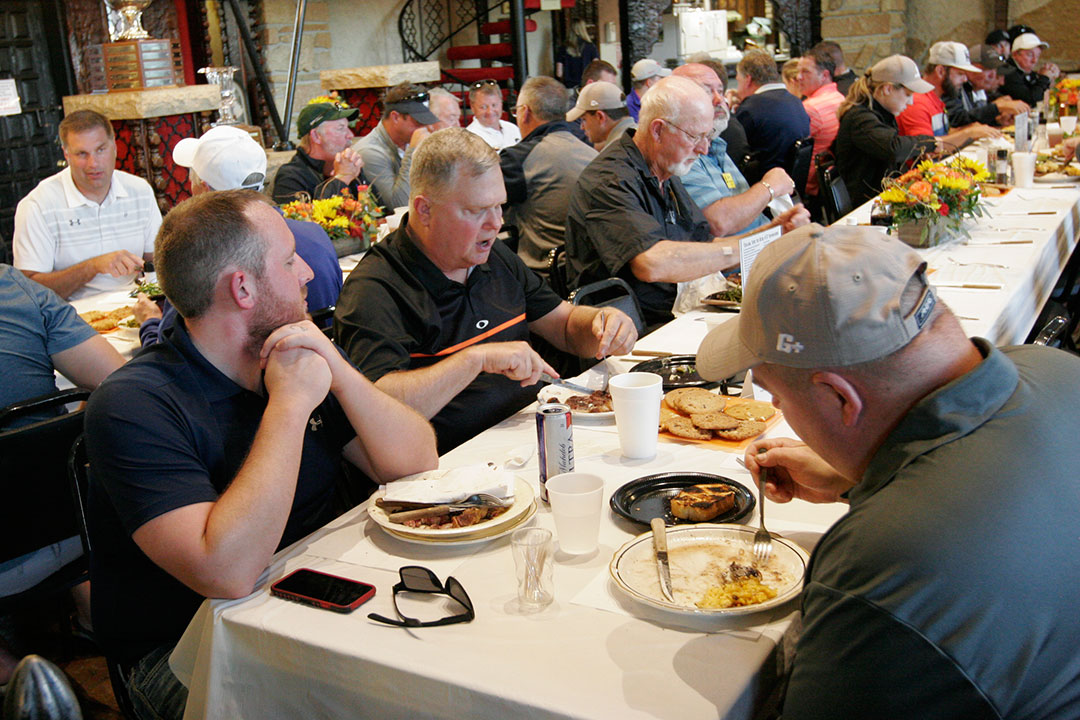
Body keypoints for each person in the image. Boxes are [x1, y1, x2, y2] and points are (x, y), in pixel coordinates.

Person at [696, 223, 1080, 720]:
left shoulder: (883, 568)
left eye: (777, 393)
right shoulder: (1055, 368)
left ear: (839, 397)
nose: (778, 407)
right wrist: (861, 479)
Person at [86, 190, 437, 720]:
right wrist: (291, 407)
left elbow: (414, 462)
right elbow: (225, 572)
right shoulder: (134, 404)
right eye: (290, 259)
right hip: (190, 651)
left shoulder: (295, 349)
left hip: (324, 595)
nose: (306, 275)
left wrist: (339, 373)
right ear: (243, 286)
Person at [333, 129, 636, 455]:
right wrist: (476, 360)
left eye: (499, 206)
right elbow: (379, 409)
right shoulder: (375, 289)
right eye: (477, 210)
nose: (495, 223)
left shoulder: (493, 255)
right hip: (450, 469)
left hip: (527, 440)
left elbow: (564, 326)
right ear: (425, 210)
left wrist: (601, 323)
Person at [0, 263, 125, 686]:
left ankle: (13, 676)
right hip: (78, 530)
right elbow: (119, 386)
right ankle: (96, 616)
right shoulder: (14, 287)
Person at [133, 125, 343, 346]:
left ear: (202, 190)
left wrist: (149, 322)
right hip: (324, 357)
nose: (304, 274)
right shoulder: (314, 233)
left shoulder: (200, 257)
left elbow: (171, 361)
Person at [565, 75, 743, 329]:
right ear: (658, 130)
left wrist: (772, 235)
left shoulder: (666, 170)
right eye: (695, 137)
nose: (703, 149)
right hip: (632, 329)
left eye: (708, 136)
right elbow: (651, 264)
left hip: (678, 312)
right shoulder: (609, 179)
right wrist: (744, 249)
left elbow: (704, 243)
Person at [13, 110, 160, 300]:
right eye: (82, 154)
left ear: (114, 147)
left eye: (101, 150)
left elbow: (156, 259)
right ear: (67, 155)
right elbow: (30, 291)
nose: (94, 163)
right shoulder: (37, 205)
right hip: (70, 318)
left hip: (138, 306)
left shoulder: (139, 190)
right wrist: (92, 267)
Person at [674, 63, 810, 237]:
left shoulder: (717, 143)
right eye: (707, 91)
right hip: (747, 258)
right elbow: (720, 223)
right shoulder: (683, 154)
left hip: (767, 244)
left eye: (721, 91)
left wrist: (781, 228)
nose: (719, 100)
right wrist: (769, 187)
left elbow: (747, 218)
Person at [501, 77, 597, 274]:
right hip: (591, 270)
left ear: (525, 112)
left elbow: (481, 204)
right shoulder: (593, 154)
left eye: (516, 111)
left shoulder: (518, 159)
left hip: (542, 277)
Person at [833, 55, 941, 207]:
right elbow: (893, 148)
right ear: (887, 88)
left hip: (878, 198)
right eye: (908, 95)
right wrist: (930, 142)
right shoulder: (860, 118)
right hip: (864, 207)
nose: (910, 102)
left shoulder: (881, 113)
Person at [270, 96, 370, 205]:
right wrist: (342, 178)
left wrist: (358, 178)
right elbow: (305, 220)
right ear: (316, 136)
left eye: (348, 128)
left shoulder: (347, 165)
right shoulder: (290, 177)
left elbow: (379, 211)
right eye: (341, 129)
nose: (350, 135)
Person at [896, 42, 1001, 146]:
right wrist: (968, 133)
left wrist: (969, 129)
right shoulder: (918, 103)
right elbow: (925, 149)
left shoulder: (935, 99)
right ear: (940, 71)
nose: (965, 80)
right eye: (960, 74)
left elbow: (940, 135)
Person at [355, 83, 441, 209]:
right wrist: (413, 151)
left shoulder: (406, 140)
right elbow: (399, 205)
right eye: (418, 122)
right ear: (395, 117)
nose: (425, 129)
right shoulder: (370, 152)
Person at [733, 49, 810, 184]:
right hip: (791, 185)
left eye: (738, 81)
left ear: (748, 80)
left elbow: (734, 153)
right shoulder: (796, 101)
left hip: (764, 186)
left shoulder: (750, 108)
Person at [797, 46, 846, 202]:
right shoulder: (840, 98)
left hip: (809, 188)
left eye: (805, 72)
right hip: (832, 181)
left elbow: (790, 150)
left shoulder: (811, 108)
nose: (798, 77)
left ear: (824, 75)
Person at [946, 45, 1029, 128]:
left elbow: (974, 123)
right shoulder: (954, 88)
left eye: (994, 69)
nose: (993, 75)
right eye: (987, 69)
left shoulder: (979, 91)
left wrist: (997, 121)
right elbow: (957, 121)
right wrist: (997, 107)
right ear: (970, 68)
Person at [567, 81, 636, 150]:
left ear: (600, 117)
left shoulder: (614, 154)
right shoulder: (638, 136)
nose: (582, 127)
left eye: (584, 119)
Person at [1000, 32, 1060, 107]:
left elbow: (1042, 93)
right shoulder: (1008, 72)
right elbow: (1032, 100)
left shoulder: (1025, 71)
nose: (1034, 60)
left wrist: (1051, 77)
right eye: (1030, 55)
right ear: (1015, 54)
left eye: (1037, 56)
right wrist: (1044, 78)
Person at [465, 80, 521, 150]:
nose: (490, 112)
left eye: (494, 105)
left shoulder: (513, 129)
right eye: (483, 107)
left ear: (501, 103)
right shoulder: (469, 138)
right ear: (472, 107)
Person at [555, 19, 599, 89]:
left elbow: (559, 73)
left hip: (569, 87)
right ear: (583, 29)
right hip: (586, 86)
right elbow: (596, 68)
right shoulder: (591, 47)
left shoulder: (563, 48)